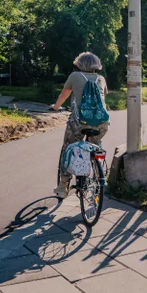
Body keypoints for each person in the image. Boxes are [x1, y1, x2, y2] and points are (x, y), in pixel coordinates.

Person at [49, 52, 109, 199]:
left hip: (79, 121)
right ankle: (98, 175)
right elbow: (103, 98)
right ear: (96, 65)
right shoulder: (101, 79)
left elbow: (64, 94)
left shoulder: (74, 76)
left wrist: (56, 107)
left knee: (68, 148)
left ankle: (63, 185)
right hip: (101, 122)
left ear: (79, 64)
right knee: (96, 144)